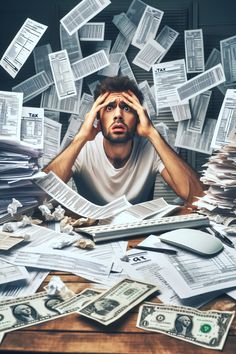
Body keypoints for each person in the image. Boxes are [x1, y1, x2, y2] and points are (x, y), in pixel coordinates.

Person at [44, 76, 204, 206]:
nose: (118, 115)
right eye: (109, 108)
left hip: (136, 237)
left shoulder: (151, 147)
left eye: (127, 108)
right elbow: (41, 195)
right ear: (97, 117)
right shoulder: (82, 148)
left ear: (138, 117)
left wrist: (152, 133)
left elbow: (198, 198)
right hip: (89, 236)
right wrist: (81, 137)